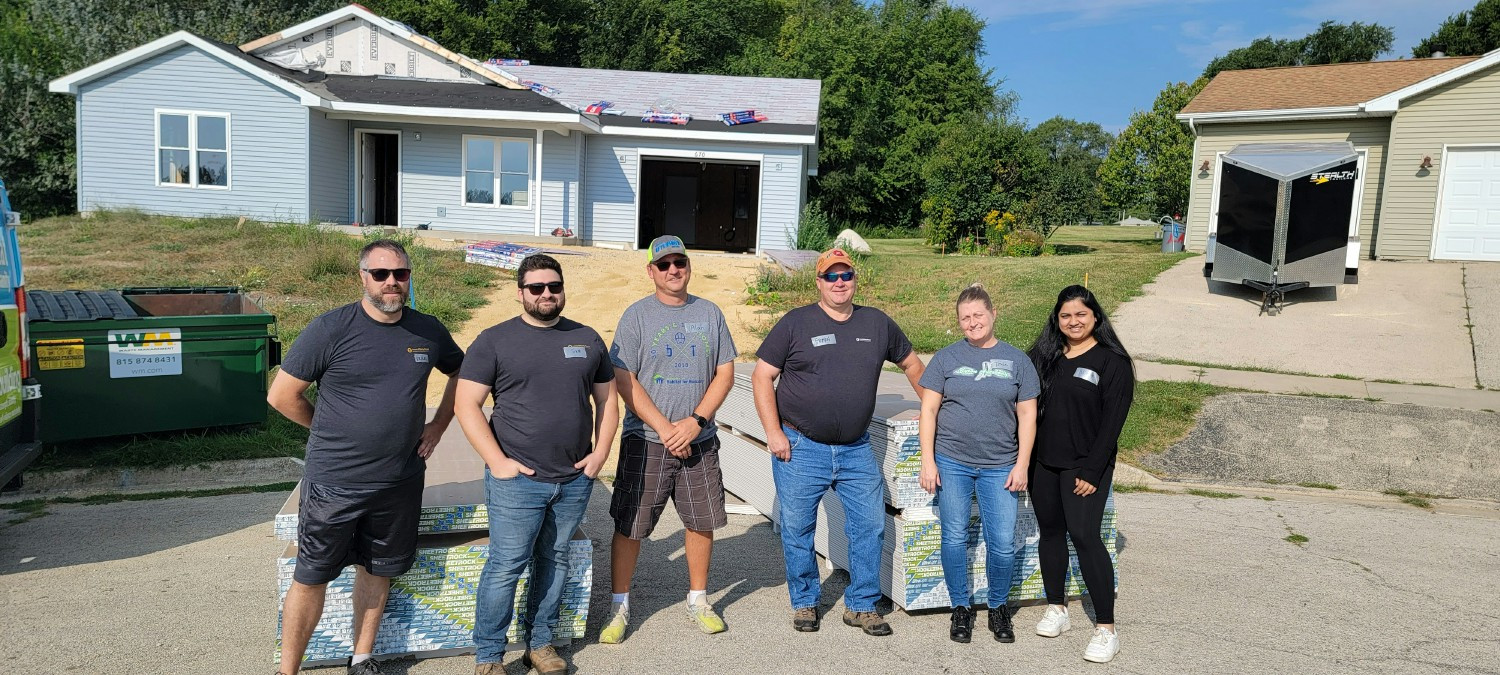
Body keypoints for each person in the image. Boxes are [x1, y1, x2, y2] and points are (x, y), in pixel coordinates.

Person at [269, 239, 464, 675]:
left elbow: (462, 374)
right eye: (381, 274)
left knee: (379, 570)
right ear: (363, 278)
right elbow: (281, 395)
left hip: (399, 481)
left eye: (401, 274)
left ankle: (362, 658)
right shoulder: (331, 329)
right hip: (335, 483)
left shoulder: (428, 330)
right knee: (312, 575)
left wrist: (438, 425)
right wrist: (326, 426)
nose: (392, 282)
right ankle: (288, 671)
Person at [456, 254, 618, 675]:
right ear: (521, 293)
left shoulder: (587, 338)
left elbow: (607, 401)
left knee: (555, 557)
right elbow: (466, 404)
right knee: (507, 564)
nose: (547, 294)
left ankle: (540, 644)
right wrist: (498, 462)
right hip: (517, 480)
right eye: (536, 288)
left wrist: (600, 454)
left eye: (554, 286)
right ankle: (489, 656)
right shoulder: (494, 341)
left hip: (573, 477)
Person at [751, 248, 925, 636]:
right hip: (800, 446)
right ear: (818, 282)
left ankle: (862, 605)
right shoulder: (795, 323)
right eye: (831, 276)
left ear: (854, 279)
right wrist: (774, 432)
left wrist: (932, 410)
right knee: (798, 528)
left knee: (869, 525)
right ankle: (806, 602)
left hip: (856, 448)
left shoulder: (877, 323)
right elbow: (762, 376)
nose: (839, 282)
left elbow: (913, 365)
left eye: (845, 275)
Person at [602, 236, 738, 643]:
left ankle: (698, 598)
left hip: (699, 439)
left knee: (701, 522)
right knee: (631, 525)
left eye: (680, 262)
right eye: (664, 265)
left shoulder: (710, 313)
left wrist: (696, 421)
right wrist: (664, 427)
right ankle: (619, 604)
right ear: (651, 272)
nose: (674, 269)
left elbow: (725, 371)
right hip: (647, 440)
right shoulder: (637, 316)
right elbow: (624, 378)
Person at [917, 283, 1038, 644]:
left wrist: (1022, 465)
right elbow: (929, 409)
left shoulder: (1018, 361)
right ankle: (960, 608)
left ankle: (998, 607)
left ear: (993, 314)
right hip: (952, 462)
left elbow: (1028, 416)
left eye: (978, 315)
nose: (972, 323)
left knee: (1001, 542)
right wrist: (928, 461)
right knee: (953, 537)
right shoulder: (946, 359)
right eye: (965, 318)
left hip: (1001, 465)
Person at [1025, 284, 1134, 664]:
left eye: (1081, 315)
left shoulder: (1112, 362)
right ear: (1057, 320)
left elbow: (1112, 424)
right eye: (1066, 315)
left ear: (1096, 318)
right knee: (1051, 534)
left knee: (1085, 536)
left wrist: (1092, 469)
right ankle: (1058, 608)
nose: (1073, 321)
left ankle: (1106, 629)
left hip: (1084, 467)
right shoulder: (1044, 357)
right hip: (1044, 464)